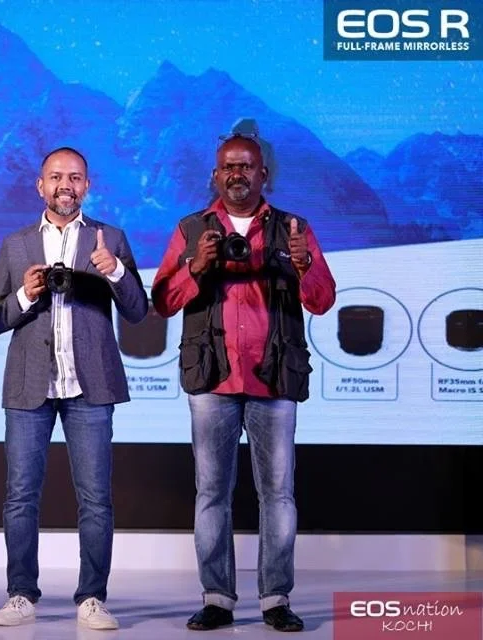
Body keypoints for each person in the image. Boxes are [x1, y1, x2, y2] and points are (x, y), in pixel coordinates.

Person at [151, 132, 336, 632]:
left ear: (263, 175)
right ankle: (217, 597)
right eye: (228, 167)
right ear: (215, 175)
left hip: (274, 378)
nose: (237, 174)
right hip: (212, 379)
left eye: (247, 166)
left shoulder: (294, 228)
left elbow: (322, 300)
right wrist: (198, 266)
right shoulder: (192, 229)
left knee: (278, 494)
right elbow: (162, 301)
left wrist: (303, 264)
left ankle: (276, 598)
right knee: (211, 493)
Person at [0, 147, 148, 630]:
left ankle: (92, 597)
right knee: (20, 496)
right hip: (29, 388)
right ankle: (20, 594)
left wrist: (113, 270)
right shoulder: (15, 244)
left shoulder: (110, 238)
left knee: (96, 498)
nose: (65, 185)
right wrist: (24, 295)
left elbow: (138, 312)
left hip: (89, 387)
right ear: (40, 185)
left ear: (87, 186)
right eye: (56, 177)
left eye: (75, 177)